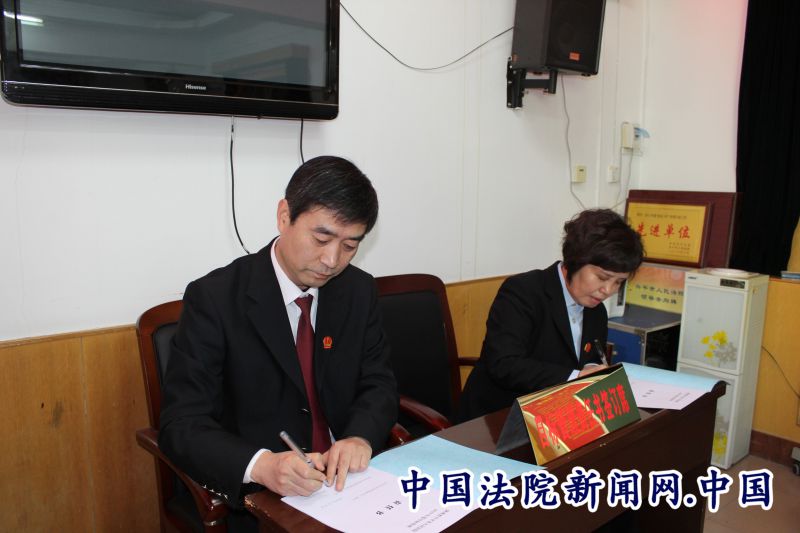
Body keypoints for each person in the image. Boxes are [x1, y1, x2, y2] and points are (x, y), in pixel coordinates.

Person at [159, 156, 398, 531]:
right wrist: (262, 465)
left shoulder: (358, 290)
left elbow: (378, 381)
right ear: (284, 216)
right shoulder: (215, 298)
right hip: (263, 502)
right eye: (321, 239)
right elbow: (182, 423)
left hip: (350, 488)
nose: (331, 260)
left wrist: (359, 437)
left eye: (350, 245)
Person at [457, 208, 644, 422]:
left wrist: (592, 369)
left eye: (618, 282)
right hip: (497, 417)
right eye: (602, 277)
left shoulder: (596, 310)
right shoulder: (523, 292)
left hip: (553, 417)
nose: (608, 290)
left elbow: (591, 358)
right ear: (575, 261)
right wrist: (576, 377)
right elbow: (504, 364)